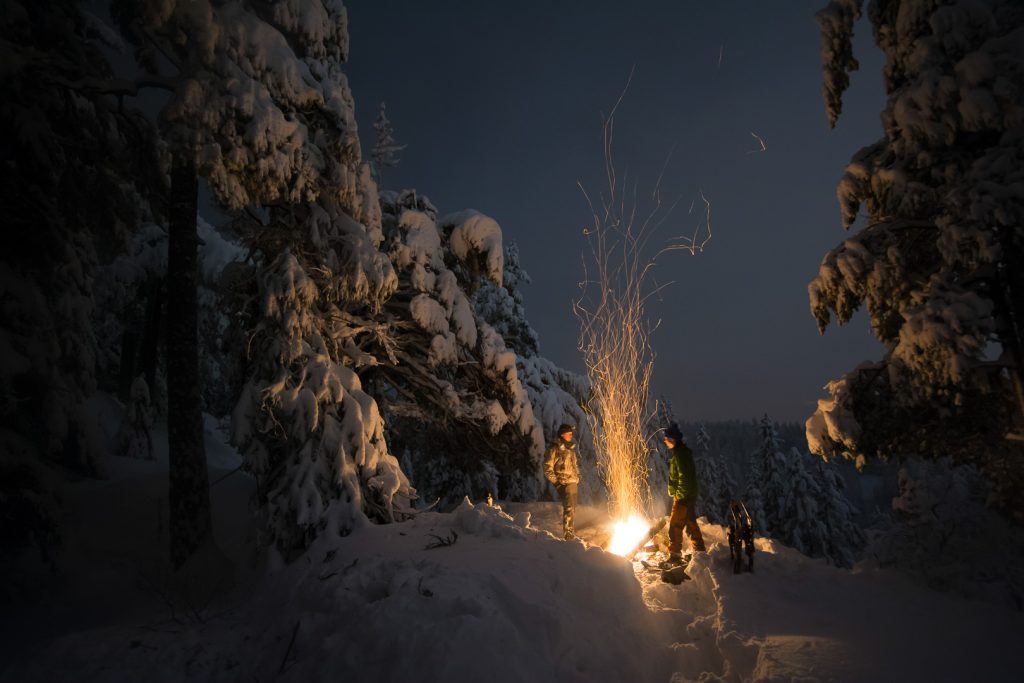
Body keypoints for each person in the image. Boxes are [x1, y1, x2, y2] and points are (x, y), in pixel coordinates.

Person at [663, 423, 705, 565]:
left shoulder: (680, 455)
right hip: (687, 496)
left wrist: (680, 495)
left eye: (666, 438)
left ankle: (675, 555)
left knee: (675, 525)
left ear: (673, 439)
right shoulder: (681, 453)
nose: (665, 441)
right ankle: (700, 553)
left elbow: (685, 477)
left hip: (684, 497)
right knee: (691, 524)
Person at [544, 423, 580, 540]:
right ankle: (568, 537)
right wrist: (557, 483)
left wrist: (577, 476)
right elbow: (547, 468)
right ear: (563, 434)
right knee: (569, 509)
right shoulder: (554, 449)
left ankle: (570, 533)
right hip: (564, 483)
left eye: (571, 434)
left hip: (573, 482)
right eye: (569, 434)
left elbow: (574, 466)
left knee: (572, 509)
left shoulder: (570, 450)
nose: (571, 436)